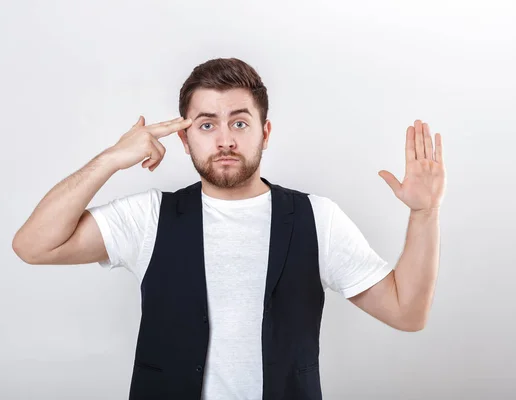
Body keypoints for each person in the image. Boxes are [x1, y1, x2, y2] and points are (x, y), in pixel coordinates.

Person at [12, 58, 445, 400]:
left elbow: (407, 313)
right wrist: (110, 159)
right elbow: (33, 246)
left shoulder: (317, 218)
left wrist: (424, 214)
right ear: (184, 139)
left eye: (239, 122)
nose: (224, 140)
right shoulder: (148, 218)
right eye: (206, 125)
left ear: (265, 132)